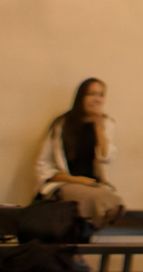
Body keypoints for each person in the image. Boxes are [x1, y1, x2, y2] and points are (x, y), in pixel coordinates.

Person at [36, 78, 125, 226]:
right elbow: (43, 168)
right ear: (81, 97)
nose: (97, 99)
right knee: (99, 200)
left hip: (95, 186)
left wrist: (98, 125)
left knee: (116, 203)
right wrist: (77, 180)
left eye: (101, 95)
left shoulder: (106, 124)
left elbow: (107, 157)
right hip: (65, 184)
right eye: (91, 94)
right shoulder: (62, 124)